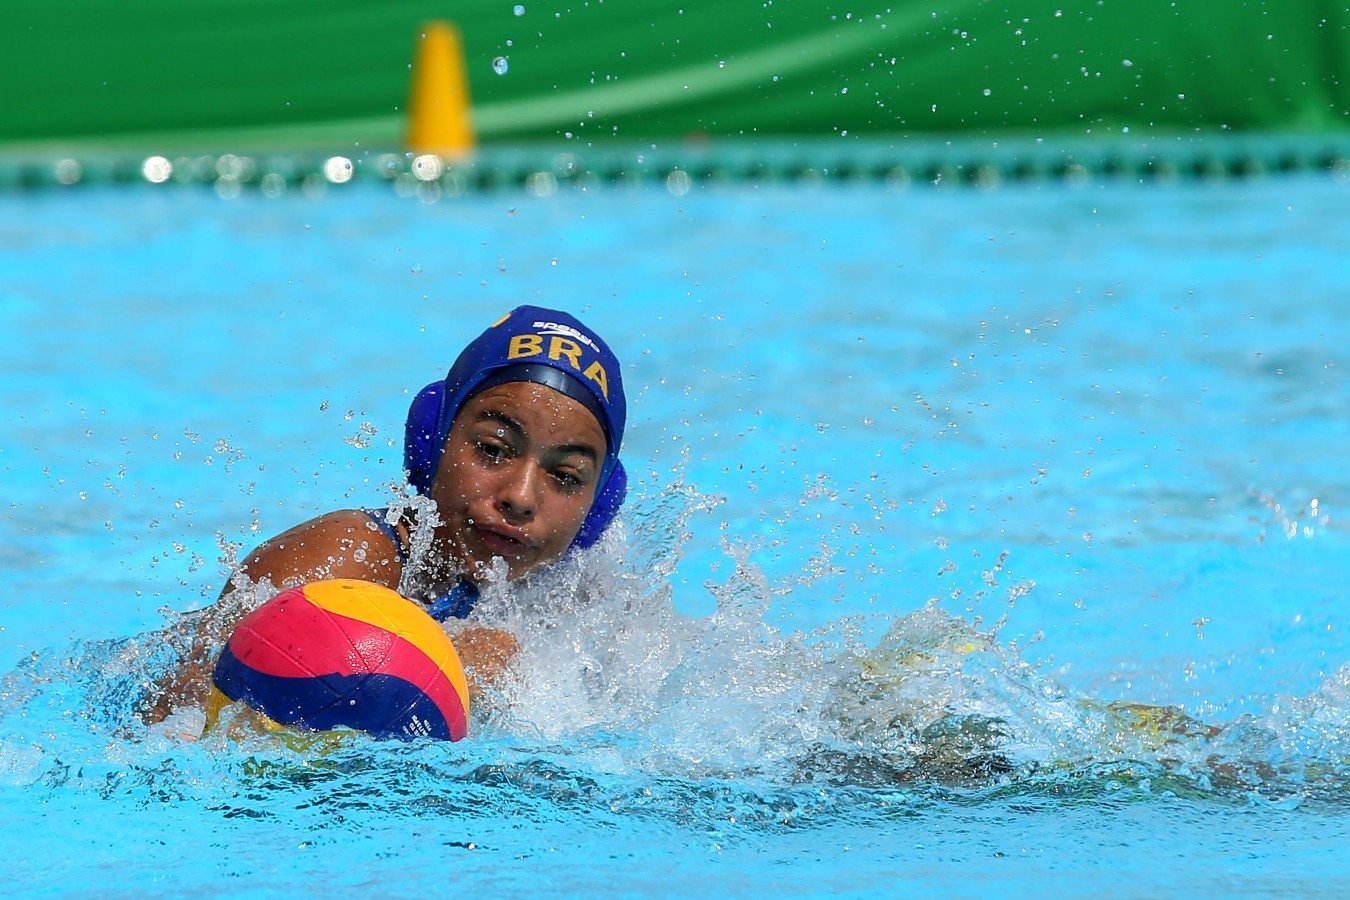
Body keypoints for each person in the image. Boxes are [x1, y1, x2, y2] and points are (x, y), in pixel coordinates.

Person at [147, 305, 627, 723]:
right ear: (431, 444)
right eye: (493, 449)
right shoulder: (346, 558)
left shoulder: (578, 603)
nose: (521, 496)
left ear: (596, 509)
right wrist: (437, 668)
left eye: (565, 476)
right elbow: (175, 720)